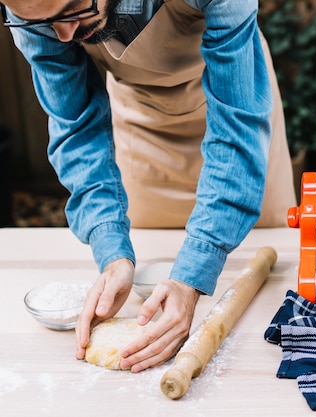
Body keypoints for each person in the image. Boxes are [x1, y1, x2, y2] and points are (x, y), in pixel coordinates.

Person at [1, 0, 295, 372]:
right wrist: (112, 251)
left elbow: (237, 131)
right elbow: (76, 125)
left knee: (262, 296)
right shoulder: (33, 9)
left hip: (237, 111)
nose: (62, 35)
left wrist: (192, 275)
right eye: (42, 23)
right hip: (140, 123)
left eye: (74, 8)